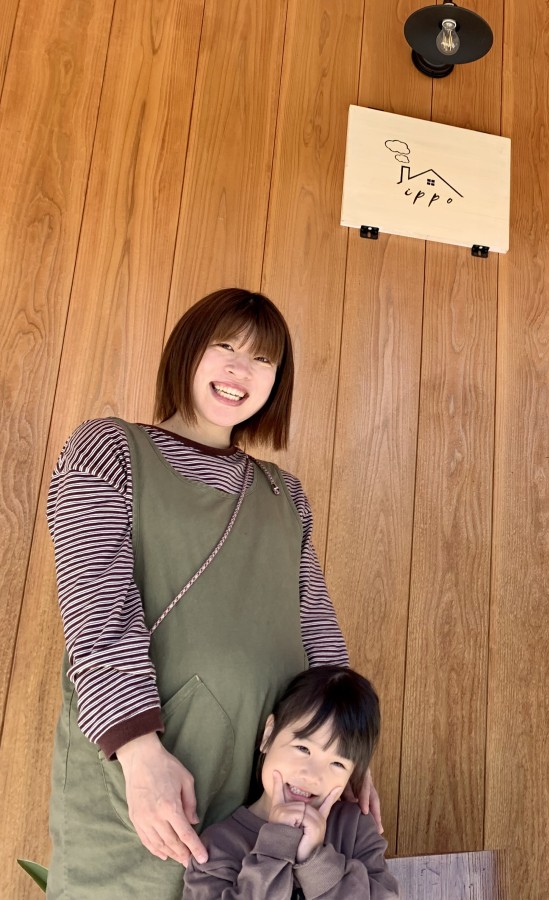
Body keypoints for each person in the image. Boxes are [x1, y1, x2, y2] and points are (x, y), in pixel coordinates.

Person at [46, 288, 377, 899]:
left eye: (263, 360)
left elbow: (317, 627)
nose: (239, 370)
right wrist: (141, 755)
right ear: (187, 351)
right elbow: (97, 610)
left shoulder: (285, 496)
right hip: (143, 765)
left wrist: (343, 750)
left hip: (262, 786)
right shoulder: (110, 450)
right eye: (224, 346)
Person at [183, 665, 399, 899]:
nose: (312, 776)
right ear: (268, 736)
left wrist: (316, 861)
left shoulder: (354, 828)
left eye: (337, 764)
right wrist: (275, 847)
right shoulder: (219, 846)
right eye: (303, 748)